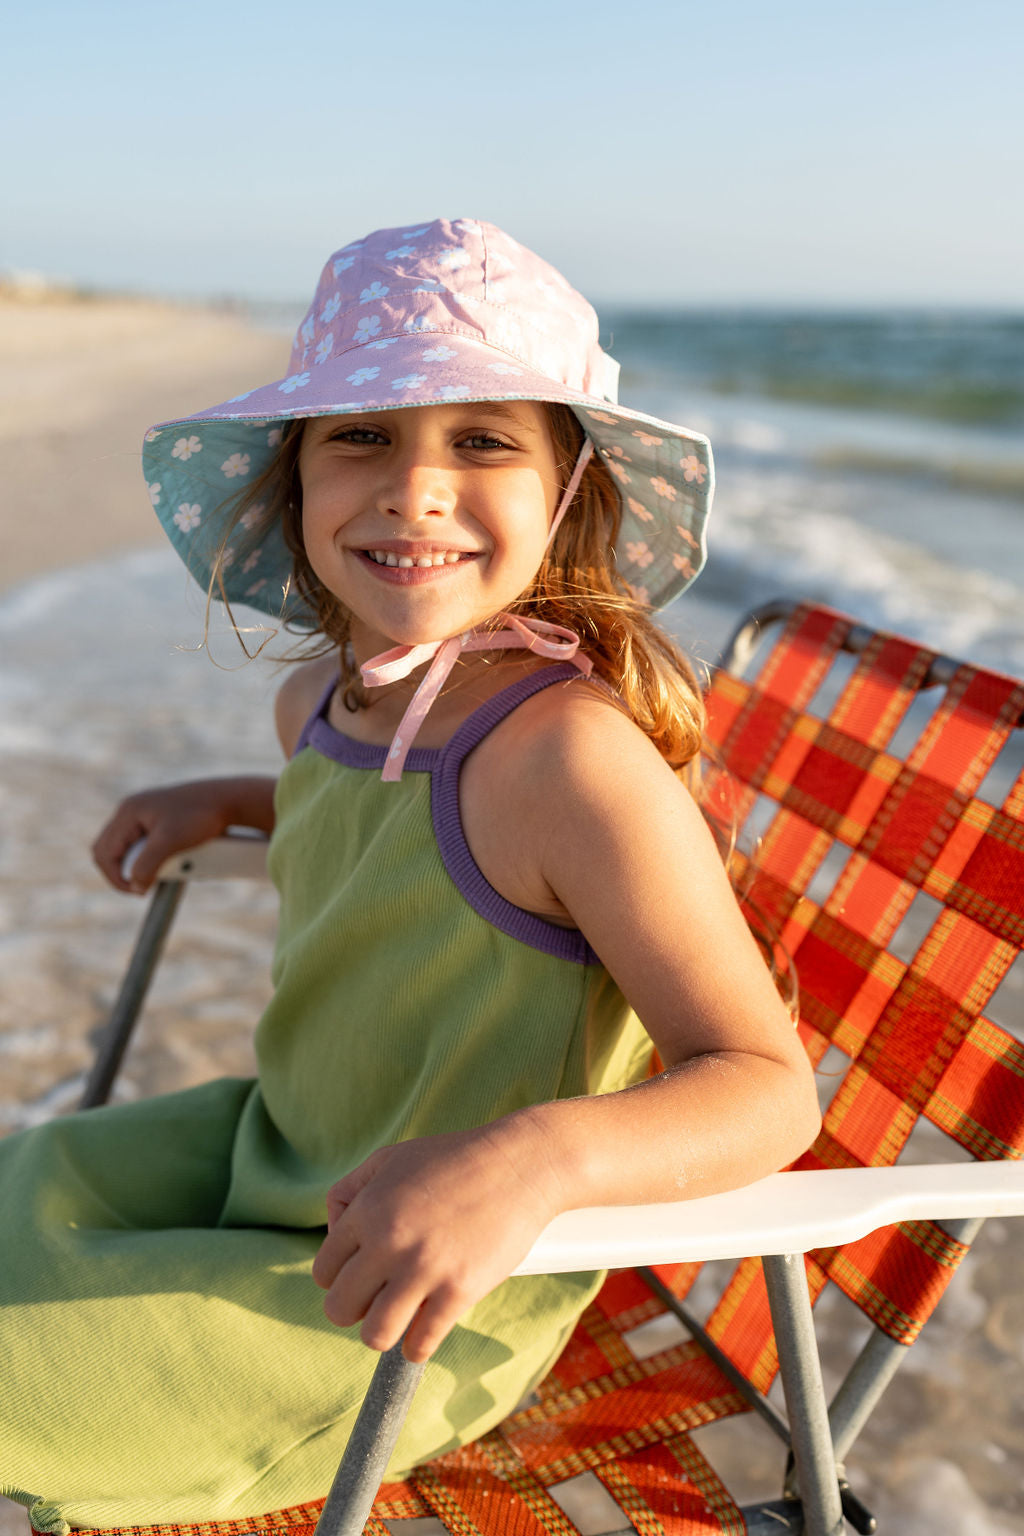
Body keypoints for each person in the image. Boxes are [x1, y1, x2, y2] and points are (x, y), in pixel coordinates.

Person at [0, 218, 820, 1534]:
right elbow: (410, 857)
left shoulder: (569, 761)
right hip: (275, 1154)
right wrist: (264, 803)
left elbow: (768, 1088)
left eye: (482, 441)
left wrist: (533, 1164)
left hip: (404, 1291)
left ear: (567, 493)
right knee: (22, 1187)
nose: (413, 489)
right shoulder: (325, 709)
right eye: (361, 437)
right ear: (295, 485)